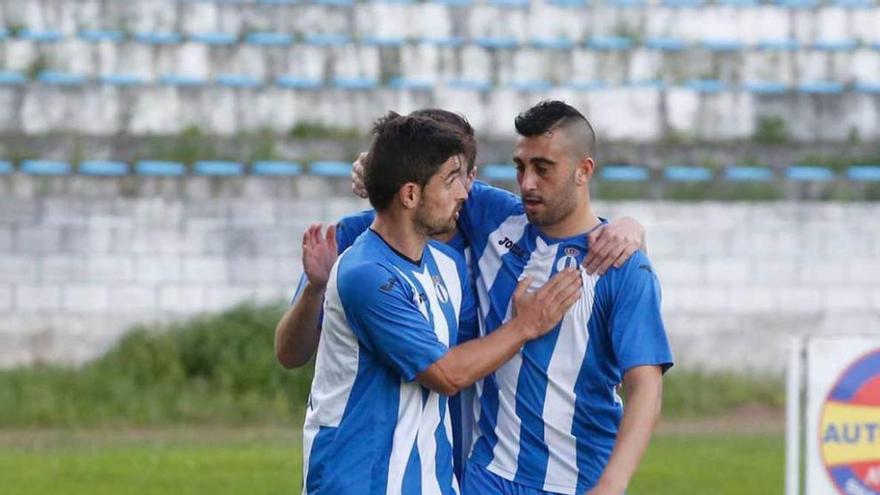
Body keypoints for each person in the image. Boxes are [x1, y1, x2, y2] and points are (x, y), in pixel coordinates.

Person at [301, 112, 584, 494]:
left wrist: (627, 232)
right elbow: (447, 374)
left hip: (431, 481)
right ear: (411, 194)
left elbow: (570, 223)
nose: (466, 193)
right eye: (452, 180)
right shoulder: (364, 271)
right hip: (358, 481)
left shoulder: (448, 266)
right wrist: (525, 325)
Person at [457, 100, 673, 495]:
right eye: (520, 167)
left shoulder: (623, 267)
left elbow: (646, 388)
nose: (527, 183)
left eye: (543, 168)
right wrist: (373, 168)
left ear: (583, 171)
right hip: (486, 477)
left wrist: (612, 484)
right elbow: (421, 182)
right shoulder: (492, 218)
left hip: (575, 482)